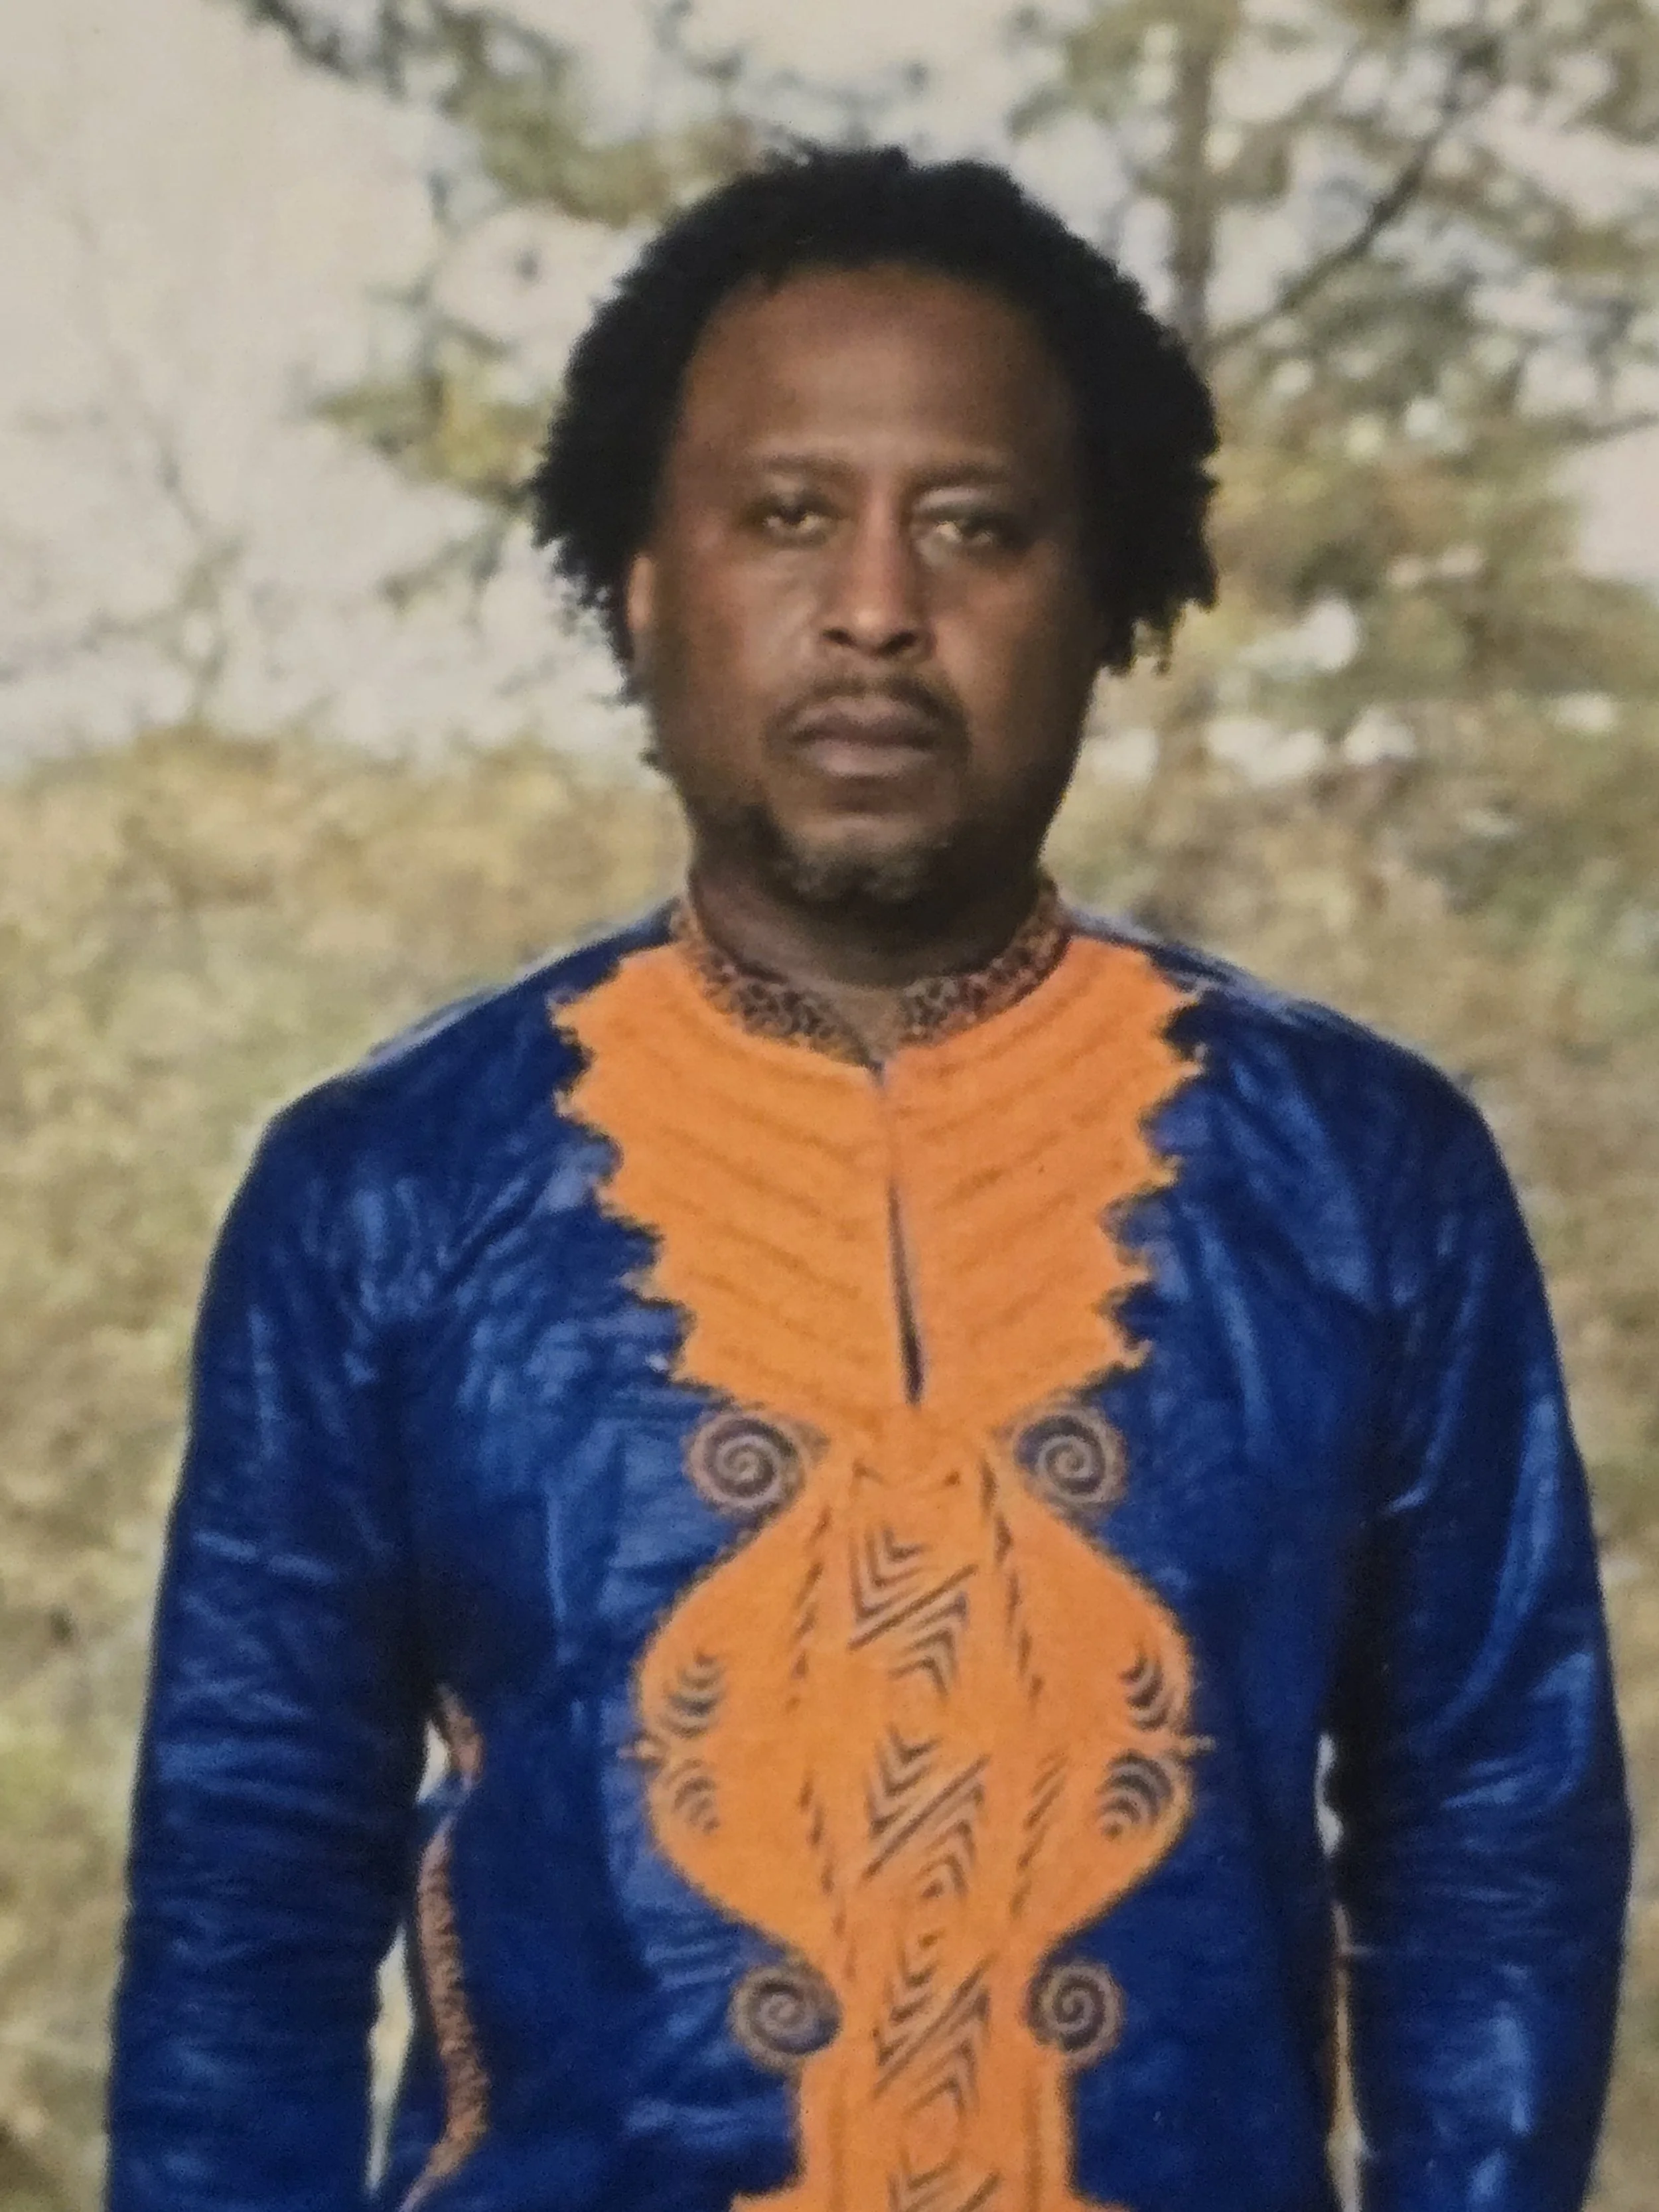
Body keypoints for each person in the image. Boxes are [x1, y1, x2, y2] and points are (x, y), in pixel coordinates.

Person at [108, 145, 1630, 2212]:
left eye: (977, 528)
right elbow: (251, 1888)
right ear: (644, 586)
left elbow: (1492, 1821)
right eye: (787, 515)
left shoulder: (1362, 1176)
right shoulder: (382, 1192)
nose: (876, 608)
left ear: (1107, 602)